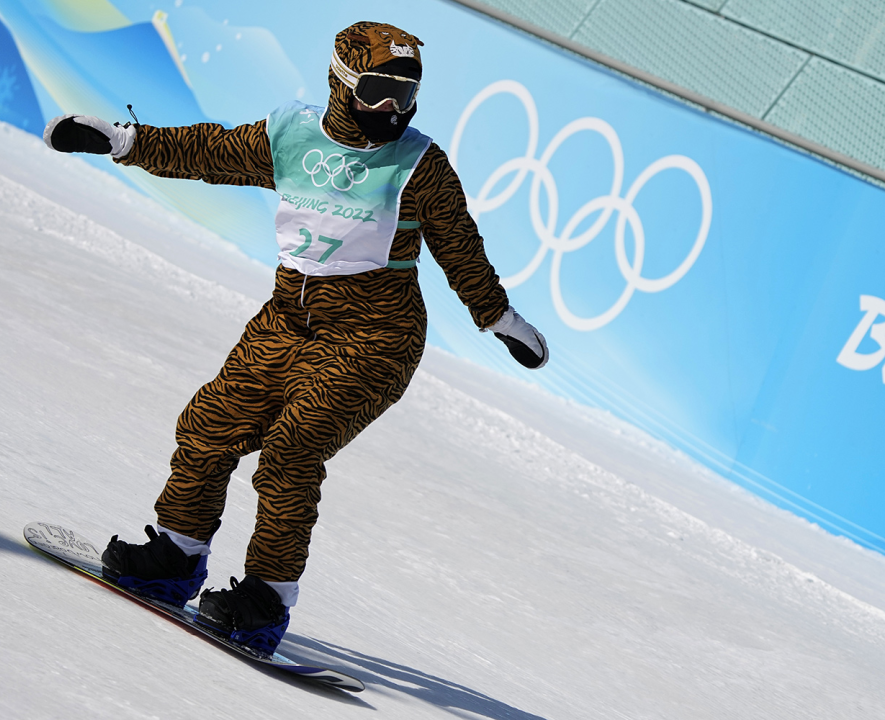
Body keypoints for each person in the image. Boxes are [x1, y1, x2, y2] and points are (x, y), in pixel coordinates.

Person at [42, 20, 548, 656]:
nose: (391, 109)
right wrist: (124, 141)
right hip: (286, 321)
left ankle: (266, 598)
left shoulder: (419, 165)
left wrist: (500, 319)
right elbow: (209, 151)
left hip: (374, 337)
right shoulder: (291, 136)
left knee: (291, 451)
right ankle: (177, 554)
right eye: (377, 91)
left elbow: (460, 249)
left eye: (405, 94)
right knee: (209, 423)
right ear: (341, 83)